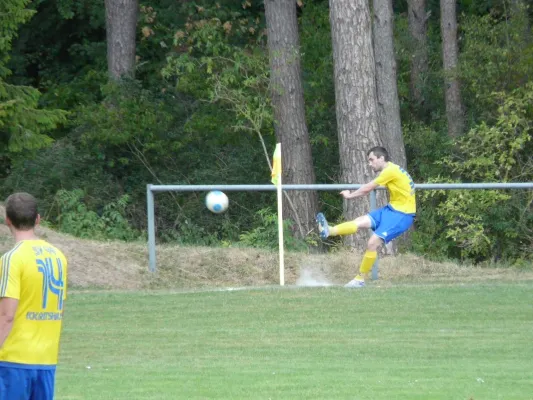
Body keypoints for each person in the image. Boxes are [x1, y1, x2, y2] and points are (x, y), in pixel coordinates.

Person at [316, 146, 416, 288]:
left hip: (402, 215)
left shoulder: (390, 171)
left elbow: (368, 188)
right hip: (392, 209)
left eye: (371, 160)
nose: (369, 164)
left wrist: (350, 195)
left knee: (372, 243)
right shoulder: (392, 169)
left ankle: (359, 280)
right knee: (359, 221)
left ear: (381, 158)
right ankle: (329, 231)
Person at [0, 192, 68, 399]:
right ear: (38, 219)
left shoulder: (12, 259)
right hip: (46, 361)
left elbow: (6, 315)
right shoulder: (58, 257)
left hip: (14, 360)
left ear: (7, 220)